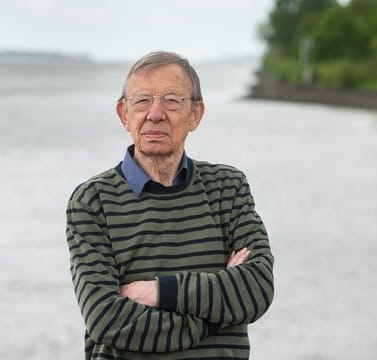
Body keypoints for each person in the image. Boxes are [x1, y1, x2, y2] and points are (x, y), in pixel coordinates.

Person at [65, 51, 274, 360]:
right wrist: (214, 321)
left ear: (195, 115)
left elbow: (256, 288)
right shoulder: (92, 201)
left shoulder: (227, 188)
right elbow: (106, 320)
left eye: (172, 100)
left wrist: (160, 291)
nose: (155, 113)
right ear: (124, 115)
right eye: (142, 101)